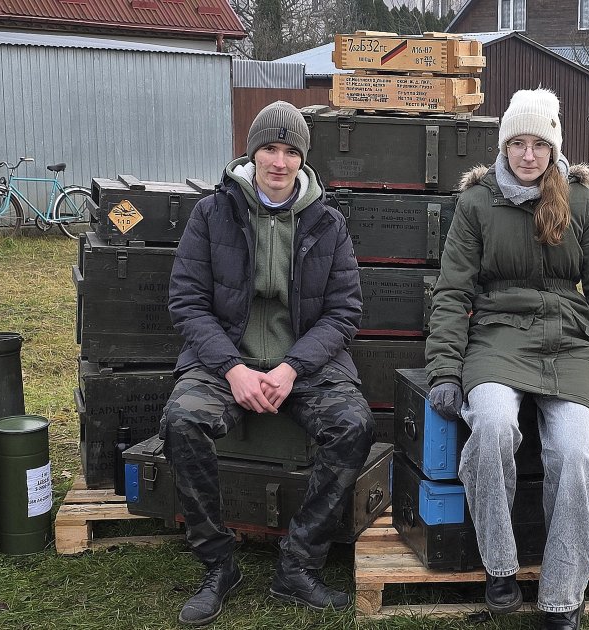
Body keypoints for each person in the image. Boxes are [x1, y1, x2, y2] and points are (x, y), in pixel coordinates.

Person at [425, 88, 589, 630]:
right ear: (503, 147)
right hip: (496, 338)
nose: (527, 155)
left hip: (570, 341)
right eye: (516, 143)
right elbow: (452, 294)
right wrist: (446, 370)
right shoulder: (475, 204)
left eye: (538, 144)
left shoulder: (580, 202)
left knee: (571, 454)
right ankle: (500, 565)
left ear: (553, 148)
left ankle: (562, 596)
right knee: (491, 427)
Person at [160, 100, 373, 626]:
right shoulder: (213, 214)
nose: (279, 162)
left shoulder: (329, 222)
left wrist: (291, 369)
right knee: (182, 422)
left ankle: (298, 565)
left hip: (303, 367)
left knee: (354, 425)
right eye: (269, 149)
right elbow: (186, 301)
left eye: (290, 151)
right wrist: (233, 369)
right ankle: (217, 564)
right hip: (222, 363)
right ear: (252, 153)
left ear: (303, 159)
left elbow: (345, 312)